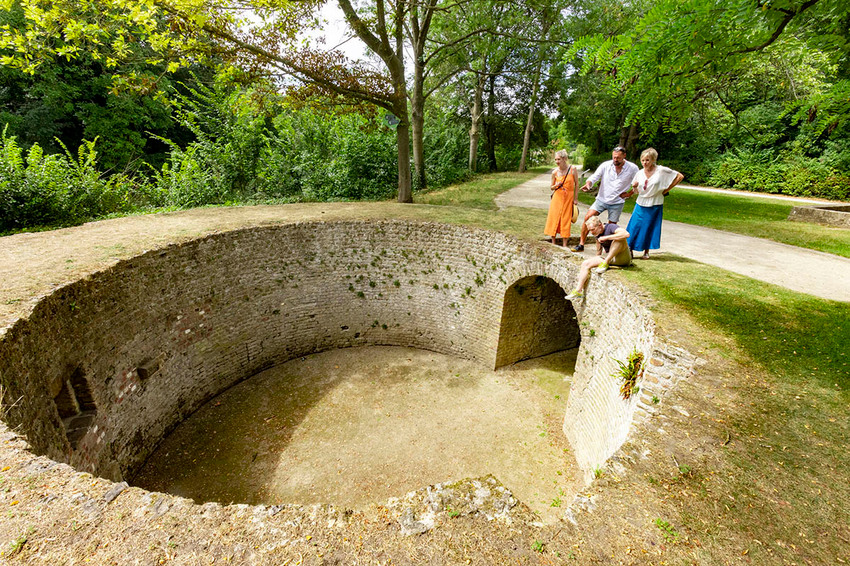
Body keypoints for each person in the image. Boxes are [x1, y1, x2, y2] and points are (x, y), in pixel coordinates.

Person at [573, 146, 638, 252]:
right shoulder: (606, 165)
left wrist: (629, 193)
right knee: (588, 218)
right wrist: (588, 184)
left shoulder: (632, 168)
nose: (615, 160)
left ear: (624, 156)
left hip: (617, 202)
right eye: (614, 157)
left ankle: (609, 249)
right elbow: (595, 176)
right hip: (602, 199)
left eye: (618, 158)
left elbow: (638, 182)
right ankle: (581, 244)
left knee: (611, 227)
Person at [622, 148, 684, 259]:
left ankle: (646, 251)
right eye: (643, 160)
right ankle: (629, 249)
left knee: (649, 226)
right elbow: (637, 192)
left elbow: (679, 176)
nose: (645, 163)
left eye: (647, 160)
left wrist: (666, 189)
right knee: (634, 225)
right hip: (641, 202)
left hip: (655, 202)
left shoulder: (661, 171)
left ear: (653, 160)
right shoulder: (639, 173)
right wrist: (635, 187)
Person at [565, 216, 631, 300]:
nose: (591, 232)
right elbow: (599, 244)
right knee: (585, 264)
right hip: (610, 257)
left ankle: (605, 263)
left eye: (593, 229)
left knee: (619, 239)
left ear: (600, 225)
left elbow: (626, 234)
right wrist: (597, 256)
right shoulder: (598, 233)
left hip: (622, 258)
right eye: (590, 230)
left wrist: (606, 237)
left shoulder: (611, 227)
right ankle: (578, 290)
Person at [544, 149, 579, 247]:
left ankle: (564, 244)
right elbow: (551, 187)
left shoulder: (573, 169)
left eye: (558, 159)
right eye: (556, 160)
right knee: (554, 217)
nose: (557, 162)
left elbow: (577, 185)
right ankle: (553, 242)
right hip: (557, 197)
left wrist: (575, 199)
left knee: (566, 219)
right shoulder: (554, 172)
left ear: (564, 159)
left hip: (568, 198)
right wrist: (556, 185)